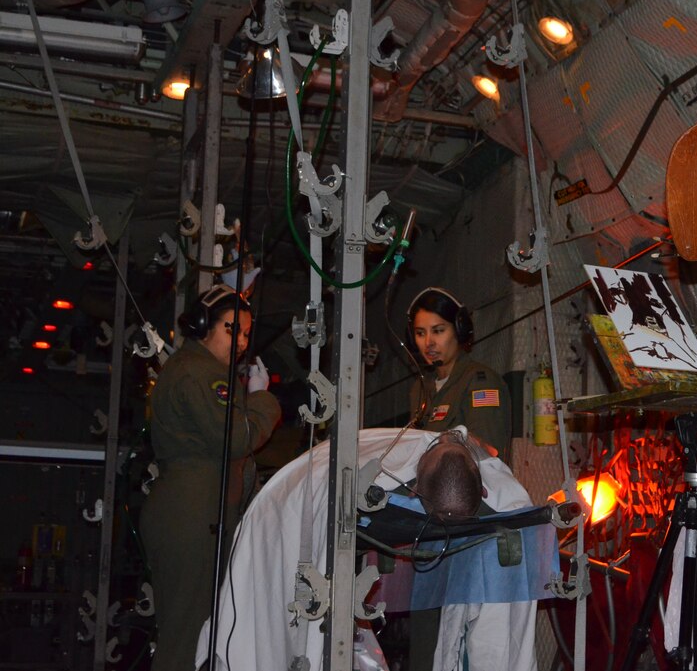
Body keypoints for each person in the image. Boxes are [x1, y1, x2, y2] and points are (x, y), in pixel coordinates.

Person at [196, 426, 548, 671]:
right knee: (280, 641)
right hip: (282, 518)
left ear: (483, 492)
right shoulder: (360, 475)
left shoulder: (508, 498)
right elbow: (295, 520)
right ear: (412, 492)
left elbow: (504, 639)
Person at [140, 284, 281, 671]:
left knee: (194, 634)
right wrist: (262, 399)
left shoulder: (193, 369)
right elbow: (236, 439)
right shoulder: (201, 373)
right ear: (203, 326)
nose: (241, 342)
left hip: (195, 511)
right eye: (232, 329)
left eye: (247, 334)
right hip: (195, 514)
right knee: (187, 639)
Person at [407, 287, 513, 462]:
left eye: (438, 331)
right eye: (420, 333)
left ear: (459, 330)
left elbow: (487, 453)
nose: (428, 342)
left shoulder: (481, 382)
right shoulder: (420, 388)